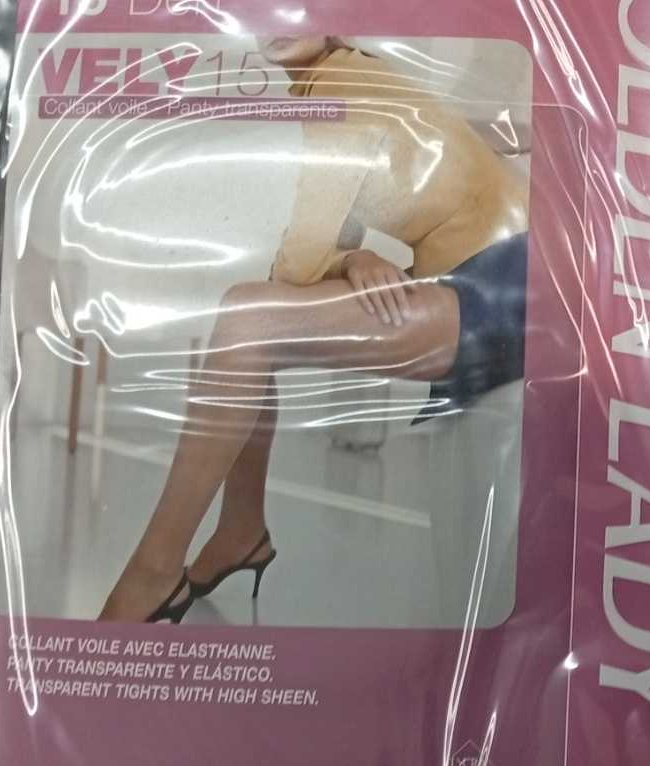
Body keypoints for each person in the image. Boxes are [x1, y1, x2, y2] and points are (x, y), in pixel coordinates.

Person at [98, 36, 528, 622]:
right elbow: (337, 238)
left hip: (505, 286)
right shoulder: (338, 82)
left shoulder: (343, 87)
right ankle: (239, 528)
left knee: (248, 318)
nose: (281, 25)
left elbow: (299, 263)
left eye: (300, 11)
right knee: (251, 320)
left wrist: (343, 260)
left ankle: (154, 571)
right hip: (472, 279)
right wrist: (353, 258)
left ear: (331, 24)